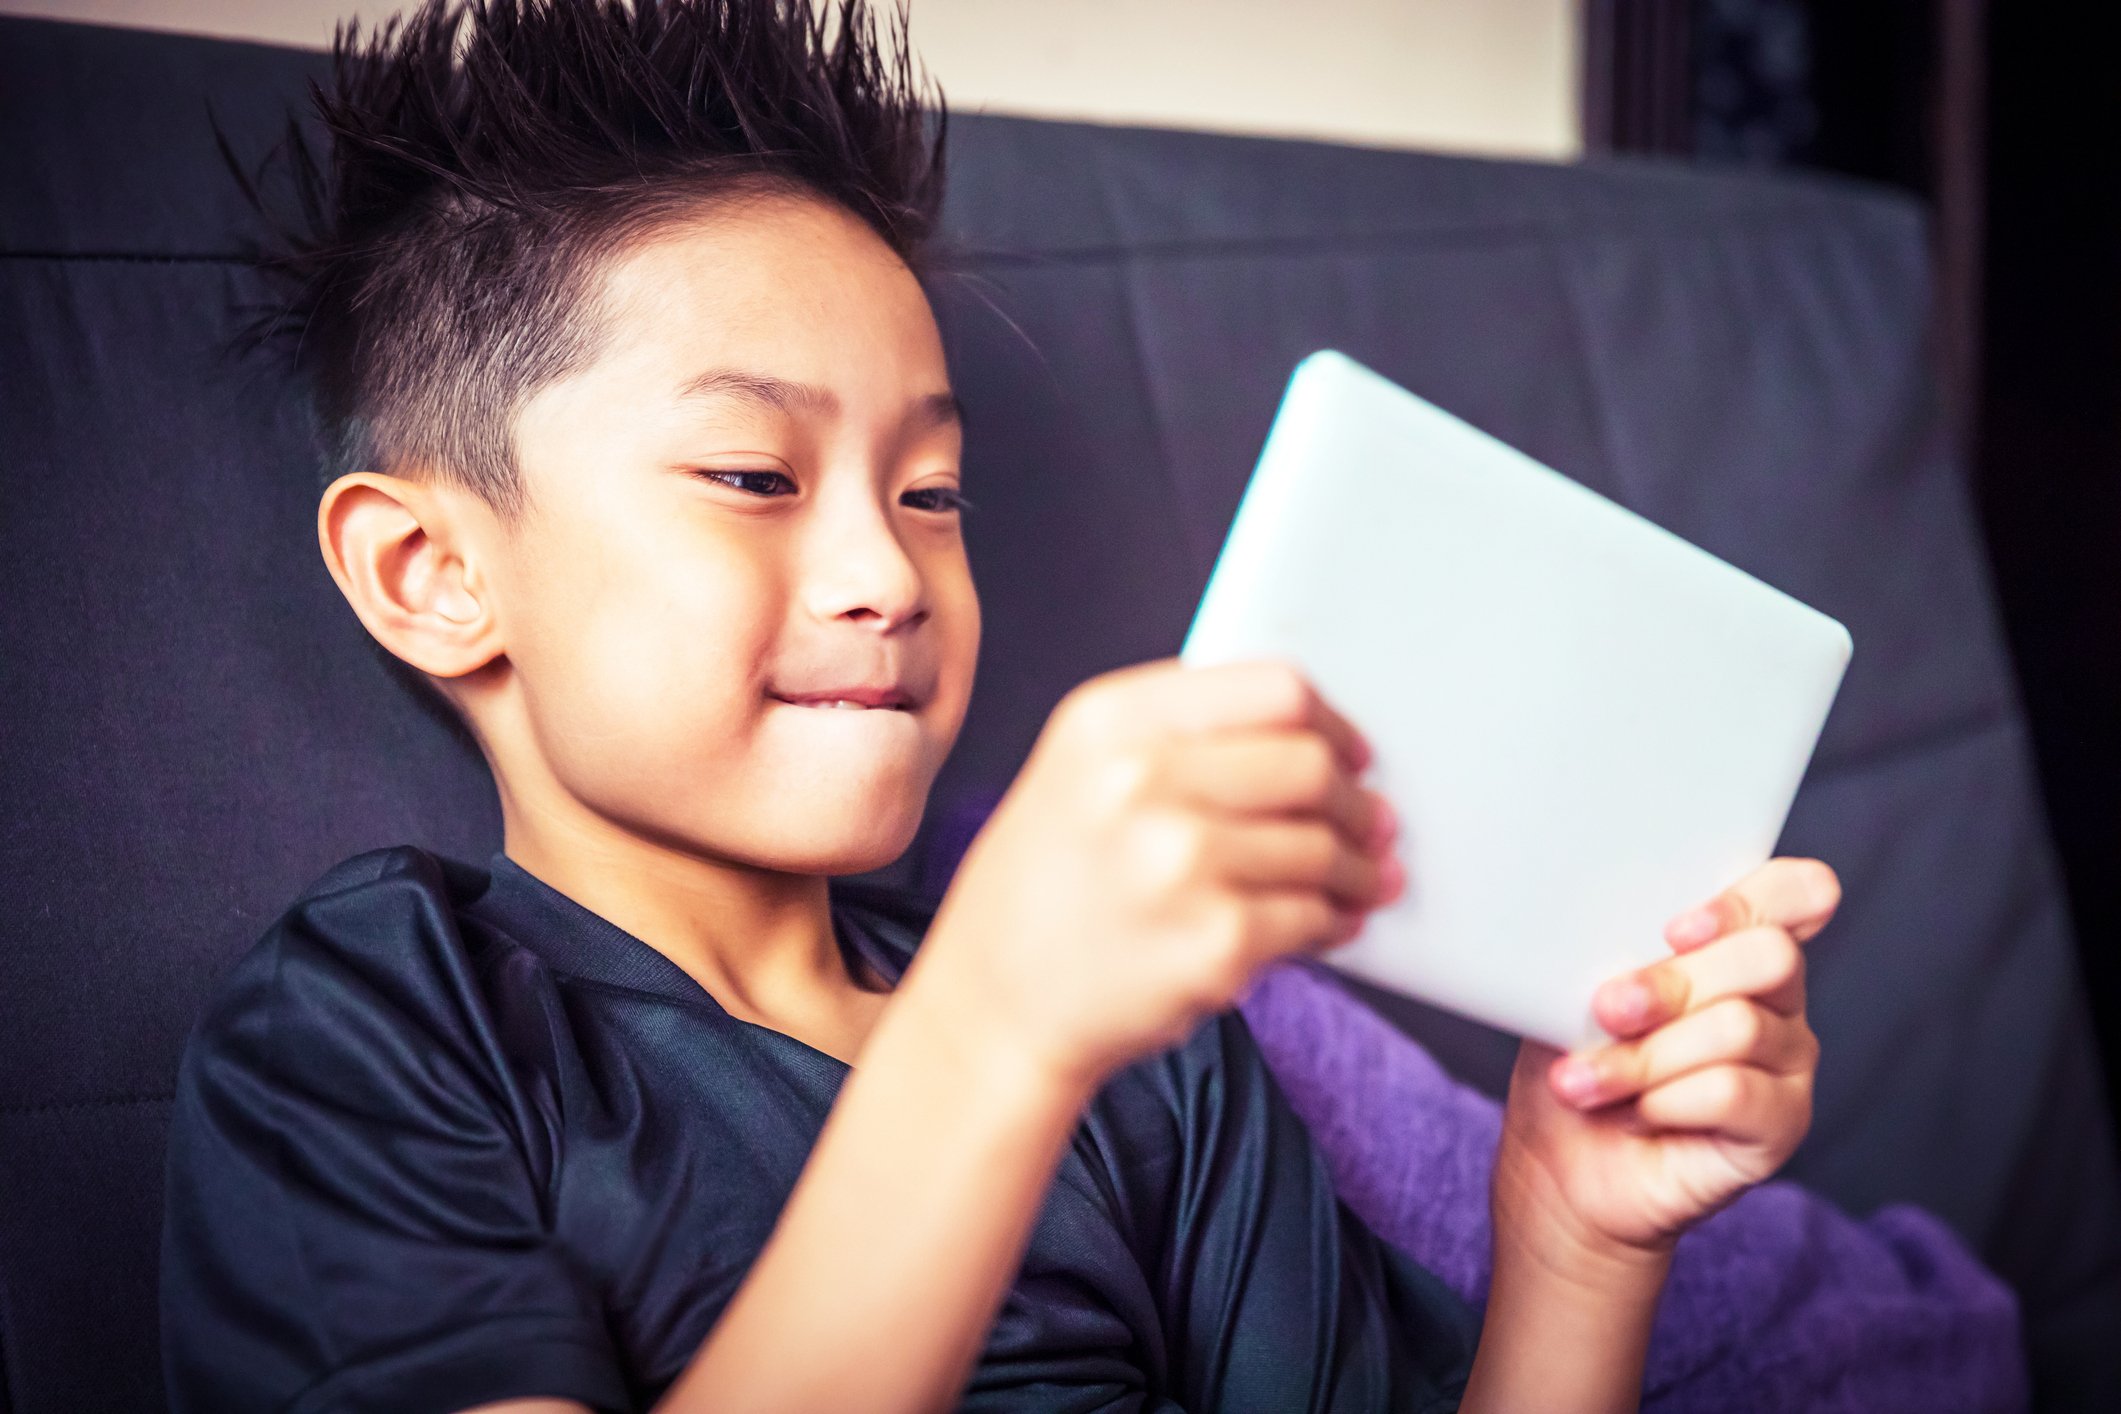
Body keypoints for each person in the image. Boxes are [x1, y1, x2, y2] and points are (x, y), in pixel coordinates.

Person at [161, 2, 1841, 1410]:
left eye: (932, 493)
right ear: (428, 571)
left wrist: (1574, 1234)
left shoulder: (1152, 1058)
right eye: (754, 471)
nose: (886, 576)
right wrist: (996, 1028)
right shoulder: (386, 1020)